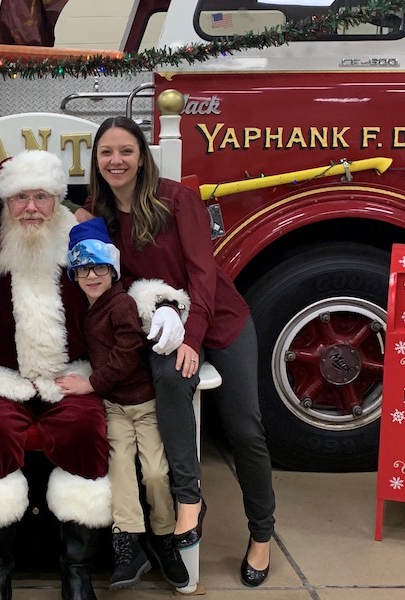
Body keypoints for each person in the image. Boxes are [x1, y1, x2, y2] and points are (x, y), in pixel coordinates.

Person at [86, 116, 276, 587]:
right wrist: (161, 307)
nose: (116, 161)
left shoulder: (176, 198)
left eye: (126, 151)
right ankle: (189, 500)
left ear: (142, 156)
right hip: (162, 320)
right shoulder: (98, 211)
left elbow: (203, 274)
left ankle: (262, 533)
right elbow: (116, 279)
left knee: (244, 428)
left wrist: (192, 335)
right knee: (170, 381)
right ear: (95, 160)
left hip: (219, 319)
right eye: (106, 152)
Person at [0, 150, 138, 600]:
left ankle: (76, 569)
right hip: (0, 377)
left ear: (58, 202)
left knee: (84, 429)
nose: (31, 207)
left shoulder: (81, 254)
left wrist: (165, 306)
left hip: (68, 377)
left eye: (42, 197)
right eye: (20, 198)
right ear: (3, 203)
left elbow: (125, 291)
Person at [56, 217, 191, 591]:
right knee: (119, 467)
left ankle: (164, 538)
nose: (93, 276)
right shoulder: (88, 306)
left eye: (101, 267)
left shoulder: (121, 304)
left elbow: (129, 351)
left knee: (155, 472)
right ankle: (128, 542)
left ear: (113, 269)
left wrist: (91, 384)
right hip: (114, 406)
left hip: (143, 404)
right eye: (83, 269)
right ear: (74, 273)